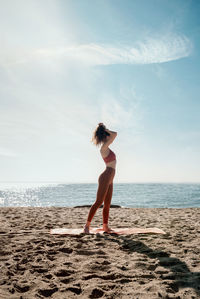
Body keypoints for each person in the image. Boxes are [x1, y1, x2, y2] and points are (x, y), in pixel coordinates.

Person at [83, 123, 117, 233]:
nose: (109, 136)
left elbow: (113, 135)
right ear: (105, 136)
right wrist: (105, 129)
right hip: (106, 176)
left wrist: (105, 131)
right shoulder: (104, 148)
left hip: (110, 178)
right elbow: (115, 134)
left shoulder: (107, 147)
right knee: (99, 201)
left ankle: (105, 226)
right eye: (107, 135)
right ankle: (86, 226)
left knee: (107, 204)